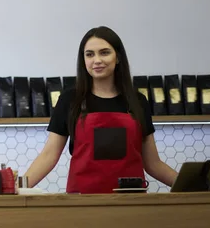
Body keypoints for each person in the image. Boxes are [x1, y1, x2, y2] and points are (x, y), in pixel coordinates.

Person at [25, 26, 178, 194]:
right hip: (83, 204)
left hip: (131, 203)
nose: (96, 60)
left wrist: (191, 184)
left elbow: (153, 163)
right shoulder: (70, 100)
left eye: (104, 52)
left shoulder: (137, 101)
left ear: (118, 57)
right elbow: (49, 155)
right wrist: (18, 189)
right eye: (89, 54)